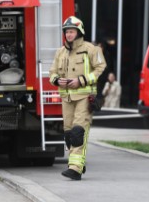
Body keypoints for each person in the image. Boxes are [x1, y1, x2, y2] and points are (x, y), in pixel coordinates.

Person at [49, 16, 106, 180]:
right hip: (66, 97)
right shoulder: (60, 52)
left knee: (77, 132)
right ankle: (78, 164)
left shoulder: (92, 49)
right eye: (66, 31)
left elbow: (100, 67)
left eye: (72, 31)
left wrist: (81, 80)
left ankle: (75, 169)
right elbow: (52, 72)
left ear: (79, 32)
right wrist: (57, 80)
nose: (68, 34)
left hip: (84, 96)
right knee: (68, 134)